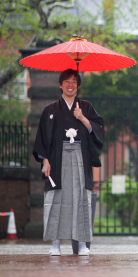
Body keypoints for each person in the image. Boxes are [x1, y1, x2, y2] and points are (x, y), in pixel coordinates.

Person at [33, 69, 104, 256]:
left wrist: (82, 118)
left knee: (81, 198)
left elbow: (99, 130)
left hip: (80, 156)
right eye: (67, 81)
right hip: (57, 158)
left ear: (78, 85)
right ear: (60, 84)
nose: (70, 85)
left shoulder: (86, 107)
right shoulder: (50, 109)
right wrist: (45, 160)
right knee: (57, 199)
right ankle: (55, 244)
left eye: (74, 81)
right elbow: (43, 137)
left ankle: (82, 244)